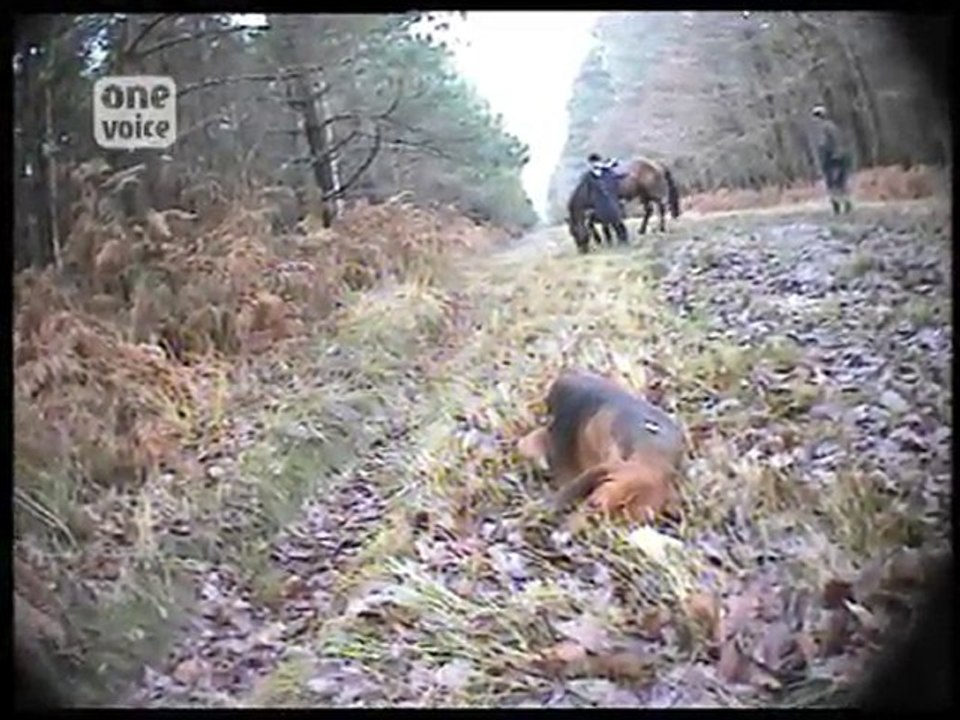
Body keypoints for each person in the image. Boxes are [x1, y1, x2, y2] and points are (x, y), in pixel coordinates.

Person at [811, 105, 853, 215]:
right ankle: (845, 203)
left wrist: (825, 158)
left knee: (833, 183)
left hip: (832, 159)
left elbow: (825, 144)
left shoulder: (824, 129)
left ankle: (838, 206)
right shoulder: (832, 127)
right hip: (839, 157)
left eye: (815, 117)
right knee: (840, 183)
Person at [584, 153, 628, 245]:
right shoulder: (591, 175)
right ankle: (612, 242)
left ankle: (621, 241)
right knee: (608, 225)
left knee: (616, 224)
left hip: (609, 202)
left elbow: (621, 177)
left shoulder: (605, 172)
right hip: (602, 203)